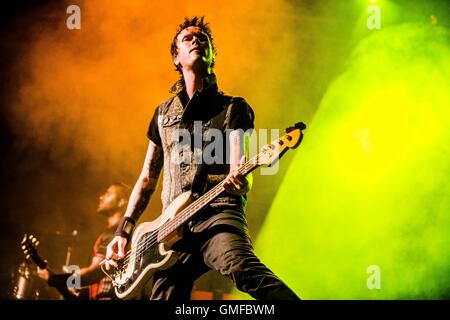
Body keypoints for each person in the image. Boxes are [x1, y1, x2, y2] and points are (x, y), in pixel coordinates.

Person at [105, 16, 299, 300]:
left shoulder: (233, 108)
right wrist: (123, 231)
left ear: (212, 55)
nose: (196, 40)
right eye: (188, 38)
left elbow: (239, 164)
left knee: (241, 267)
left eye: (202, 39)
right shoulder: (162, 114)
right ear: (176, 57)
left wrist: (242, 184)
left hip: (217, 212)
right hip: (171, 230)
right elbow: (147, 178)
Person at [37, 183, 131, 300]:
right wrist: (56, 281)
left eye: (108, 194)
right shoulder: (118, 231)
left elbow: (94, 274)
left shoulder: (115, 233)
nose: (101, 197)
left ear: (121, 202)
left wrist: (54, 279)